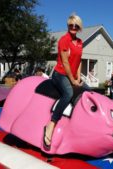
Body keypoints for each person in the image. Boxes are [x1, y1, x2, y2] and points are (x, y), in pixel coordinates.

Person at [43, 14, 89, 150]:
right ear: (68, 26)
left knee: (88, 92)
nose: (73, 27)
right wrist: (73, 80)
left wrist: (79, 78)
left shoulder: (80, 42)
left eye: (76, 25)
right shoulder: (64, 40)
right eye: (71, 25)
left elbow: (79, 60)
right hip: (60, 74)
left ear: (79, 27)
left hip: (73, 75)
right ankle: (51, 124)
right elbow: (65, 62)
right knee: (68, 93)